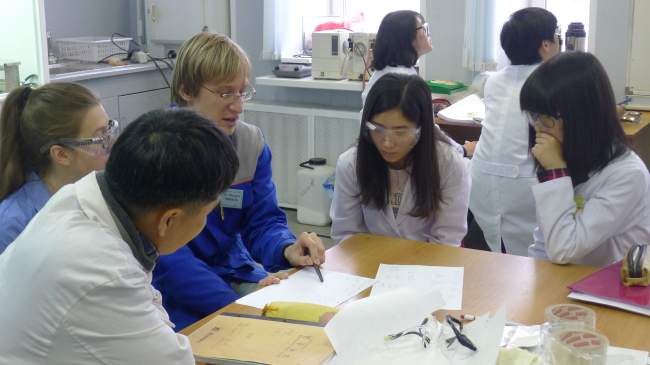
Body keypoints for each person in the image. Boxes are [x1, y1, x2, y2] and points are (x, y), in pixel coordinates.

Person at [0, 108, 239, 363]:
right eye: (207, 213)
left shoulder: (79, 197)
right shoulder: (104, 272)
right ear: (169, 220)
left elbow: (151, 306)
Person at [154, 31, 326, 330]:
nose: (238, 106)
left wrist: (287, 249)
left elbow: (263, 221)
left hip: (235, 271)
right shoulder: (156, 151)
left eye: (242, 92)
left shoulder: (250, 143)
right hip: (175, 290)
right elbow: (166, 259)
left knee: (308, 320)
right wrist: (233, 305)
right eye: (225, 93)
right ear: (185, 90)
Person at [522, 52, 650, 268]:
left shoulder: (627, 174)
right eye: (534, 116)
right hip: (567, 281)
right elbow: (545, 240)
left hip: (611, 289)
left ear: (582, 117)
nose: (537, 127)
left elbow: (564, 249)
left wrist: (555, 173)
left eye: (547, 119)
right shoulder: (570, 154)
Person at [330, 73, 471, 245]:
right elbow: (346, 235)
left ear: (422, 128)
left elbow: (447, 238)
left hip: (428, 263)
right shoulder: (351, 163)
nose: (388, 143)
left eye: (401, 132)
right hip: (368, 262)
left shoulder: (448, 163)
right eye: (379, 130)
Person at [467, 8, 560, 255]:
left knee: (501, 253)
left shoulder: (494, 80)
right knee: (534, 256)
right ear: (545, 44)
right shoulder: (552, 82)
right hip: (526, 186)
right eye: (556, 35)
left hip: (481, 182)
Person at [0, 83, 114, 253]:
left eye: (110, 129)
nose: (112, 144)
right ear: (61, 154)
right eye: (100, 138)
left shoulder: (101, 190)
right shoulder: (14, 222)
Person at [362, 10, 476, 157]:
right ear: (406, 37)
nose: (427, 33)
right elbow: (430, 132)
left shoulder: (390, 71)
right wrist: (463, 150)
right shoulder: (401, 81)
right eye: (423, 28)